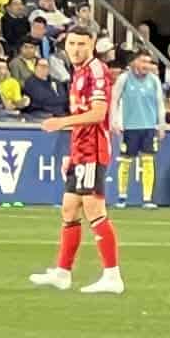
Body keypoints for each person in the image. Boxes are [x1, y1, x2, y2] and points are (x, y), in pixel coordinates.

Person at [29, 24, 124, 294]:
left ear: (92, 44)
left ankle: (112, 275)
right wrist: (72, 153)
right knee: (69, 209)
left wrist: (61, 122)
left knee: (94, 210)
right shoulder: (78, 72)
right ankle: (62, 273)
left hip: (94, 150)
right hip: (82, 150)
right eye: (71, 44)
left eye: (81, 44)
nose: (75, 49)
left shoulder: (96, 71)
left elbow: (97, 113)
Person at [113, 49, 165, 208]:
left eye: (148, 62)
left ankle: (147, 198)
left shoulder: (154, 80)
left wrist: (161, 124)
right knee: (125, 162)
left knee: (148, 161)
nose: (146, 65)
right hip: (130, 127)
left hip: (149, 127)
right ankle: (122, 197)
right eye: (143, 61)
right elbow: (114, 99)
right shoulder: (124, 79)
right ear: (134, 62)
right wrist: (115, 121)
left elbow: (159, 103)